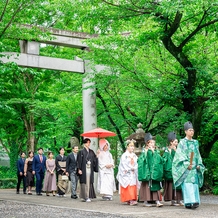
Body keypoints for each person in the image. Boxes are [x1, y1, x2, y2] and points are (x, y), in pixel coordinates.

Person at [172, 121, 205, 209]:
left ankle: (194, 201)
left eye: (192, 130)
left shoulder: (195, 142)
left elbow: (197, 154)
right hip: (186, 167)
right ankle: (189, 202)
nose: (192, 132)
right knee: (187, 184)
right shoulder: (182, 142)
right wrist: (187, 164)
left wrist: (199, 164)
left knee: (194, 184)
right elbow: (180, 154)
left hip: (194, 167)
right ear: (185, 131)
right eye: (190, 130)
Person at [138, 133, 163, 207]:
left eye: (153, 143)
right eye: (151, 142)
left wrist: (153, 152)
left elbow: (160, 160)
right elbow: (141, 161)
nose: (153, 144)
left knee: (155, 185)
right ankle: (146, 201)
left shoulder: (156, 151)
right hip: (147, 172)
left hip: (154, 172)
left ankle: (157, 201)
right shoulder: (144, 151)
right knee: (146, 186)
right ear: (147, 143)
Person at [162, 132, 183, 206]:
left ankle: (179, 199)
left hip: (177, 170)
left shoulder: (178, 150)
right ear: (171, 142)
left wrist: (176, 151)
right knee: (171, 185)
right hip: (170, 170)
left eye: (177, 142)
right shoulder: (167, 151)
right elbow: (165, 161)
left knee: (178, 185)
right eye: (175, 142)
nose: (176, 143)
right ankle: (173, 200)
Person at [116, 139, 138, 206]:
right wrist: (129, 168)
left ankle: (132, 199)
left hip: (133, 172)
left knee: (133, 185)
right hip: (127, 172)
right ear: (127, 147)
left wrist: (134, 167)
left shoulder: (134, 155)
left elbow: (137, 163)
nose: (132, 147)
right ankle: (129, 199)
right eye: (130, 146)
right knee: (128, 185)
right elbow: (123, 164)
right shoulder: (124, 155)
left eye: (133, 146)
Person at [77, 138, 98, 202]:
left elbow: (94, 159)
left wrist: (97, 155)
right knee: (84, 182)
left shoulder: (91, 151)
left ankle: (88, 196)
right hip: (84, 168)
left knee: (89, 182)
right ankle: (85, 196)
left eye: (89, 142)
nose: (88, 144)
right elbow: (79, 161)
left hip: (90, 168)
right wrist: (79, 169)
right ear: (84, 143)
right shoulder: (81, 151)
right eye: (87, 142)